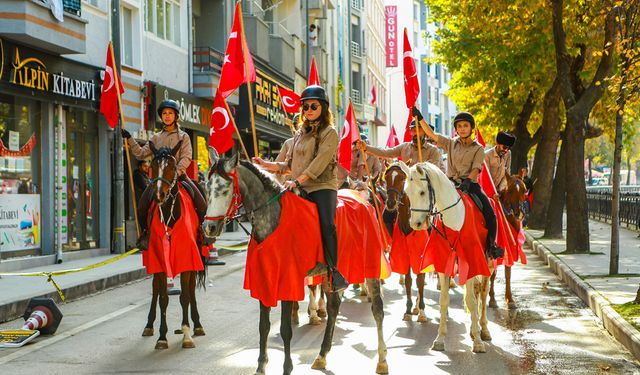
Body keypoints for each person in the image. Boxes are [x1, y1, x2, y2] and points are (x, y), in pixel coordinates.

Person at [252, 85, 349, 292]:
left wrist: (297, 181)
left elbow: (319, 163)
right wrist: (265, 165)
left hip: (321, 186)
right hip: (296, 185)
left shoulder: (330, 133)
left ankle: (333, 270)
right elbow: (288, 165)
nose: (309, 110)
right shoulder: (298, 134)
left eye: (314, 105)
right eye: (305, 106)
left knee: (327, 225)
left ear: (323, 107)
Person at [413, 107, 504, 259]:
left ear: (471, 128)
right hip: (449, 184)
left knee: (490, 214)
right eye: (459, 126)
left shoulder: (478, 148)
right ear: (456, 129)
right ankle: (433, 246)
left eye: (465, 126)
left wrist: (468, 181)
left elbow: (476, 168)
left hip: (470, 185)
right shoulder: (450, 143)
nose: (462, 129)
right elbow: (431, 134)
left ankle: (491, 247)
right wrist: (420, 118)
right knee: (430, 207)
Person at [121, 99, 207, 250]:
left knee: (201, 201)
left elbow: (186, 157)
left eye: (170, 113)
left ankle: (202, 232)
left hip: (179, 176)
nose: (167, 116)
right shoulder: (156, 137)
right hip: (160, 179)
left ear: (176, 116)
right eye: (164, 113)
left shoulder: (184, 137)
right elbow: (141, 154)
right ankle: (145, 234)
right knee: (142, 205)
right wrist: (130, 139)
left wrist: (176, 172)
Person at [357, 121, 444, 170]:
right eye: (412, 131)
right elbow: (385, 152)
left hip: (425, 190)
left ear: (425, 132)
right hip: (406, 187)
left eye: (417, 130)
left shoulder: (433, 150)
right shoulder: (404, 147)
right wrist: (366, 147)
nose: (414, 133)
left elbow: (434, 170)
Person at [484, 131, 516, 198]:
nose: (506, 150)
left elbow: (507, 174)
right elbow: (485, 178)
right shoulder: (487, 155)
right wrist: (492, 193)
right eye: (504, 147)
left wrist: (500, 190)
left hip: (499, 192)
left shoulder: (508, 154)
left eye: (508, 148)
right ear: (497, 144)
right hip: (485, 191)